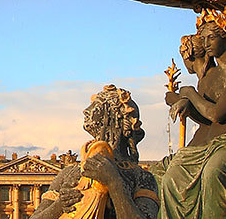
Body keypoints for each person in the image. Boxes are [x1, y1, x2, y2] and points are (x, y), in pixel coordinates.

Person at [149, 10, 226, 219]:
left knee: (213, 171)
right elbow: (206, 116)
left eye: (211, 37)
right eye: (203, 38)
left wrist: (189, 94)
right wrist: (185, 104)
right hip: (215, 144)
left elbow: (217, 115)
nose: (207, 43)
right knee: (172, 175)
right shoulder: (217, 73)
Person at [31, 85, 158, 219]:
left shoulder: (141, 177)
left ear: (115, 117)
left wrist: (114, 183)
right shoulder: (69, 172)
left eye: (96, 106)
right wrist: (59, 206)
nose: (86, 111)